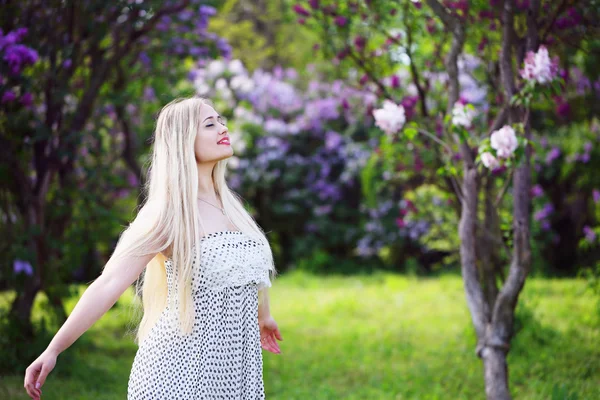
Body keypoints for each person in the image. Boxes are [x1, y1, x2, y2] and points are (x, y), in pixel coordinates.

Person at [23, 96, 283, 399]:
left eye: (221, 121)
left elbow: (246, 269)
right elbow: (109, 284)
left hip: (233, 373)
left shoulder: (231, 206)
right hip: (178, 374)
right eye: (210, 124)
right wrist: (54, 349)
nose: (222, 128)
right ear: (183, 139)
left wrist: (263, 315)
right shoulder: (169, 213)